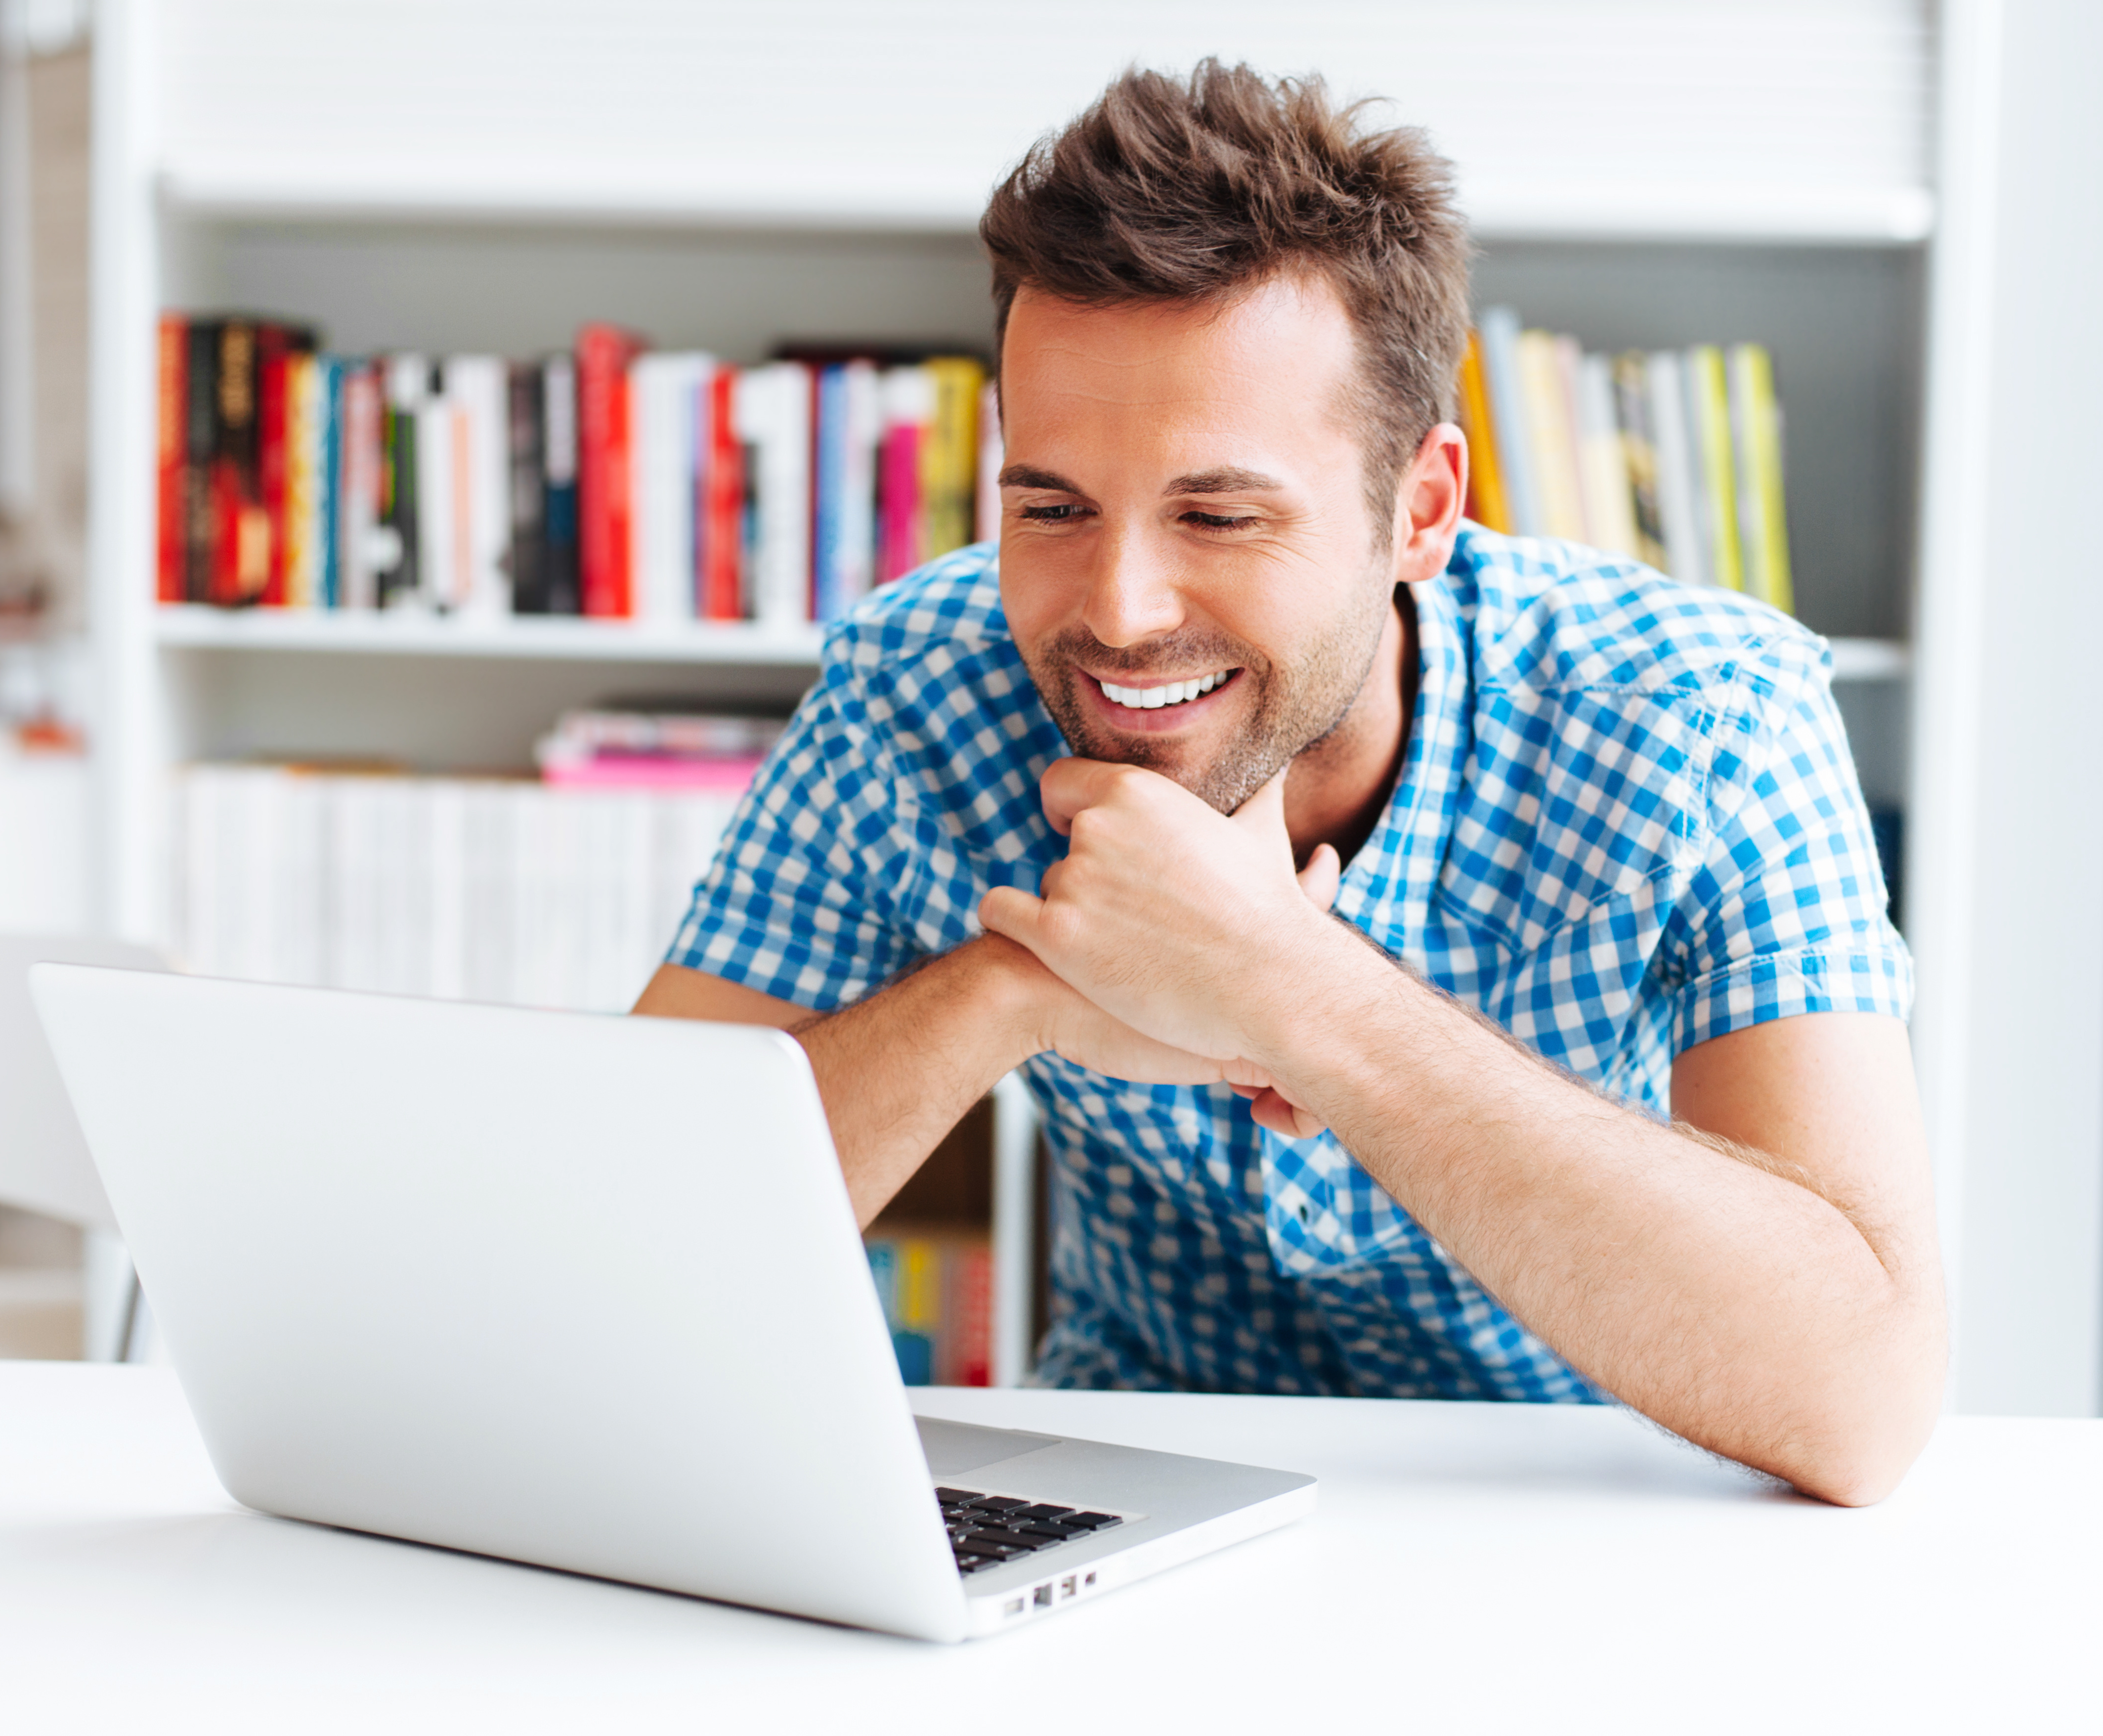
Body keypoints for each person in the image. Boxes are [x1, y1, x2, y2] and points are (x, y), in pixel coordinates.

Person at [639, 61, 1943, 1505]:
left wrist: (1284, 985)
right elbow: (617, 1254)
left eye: (1220, 514)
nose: (1121, 610)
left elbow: (1860, 1397)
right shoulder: (919, 689)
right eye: (1053, 508)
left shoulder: (1704, 714)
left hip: (1600, 1500)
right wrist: (1022, 981)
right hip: (1126, 1479)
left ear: (1422, 509)